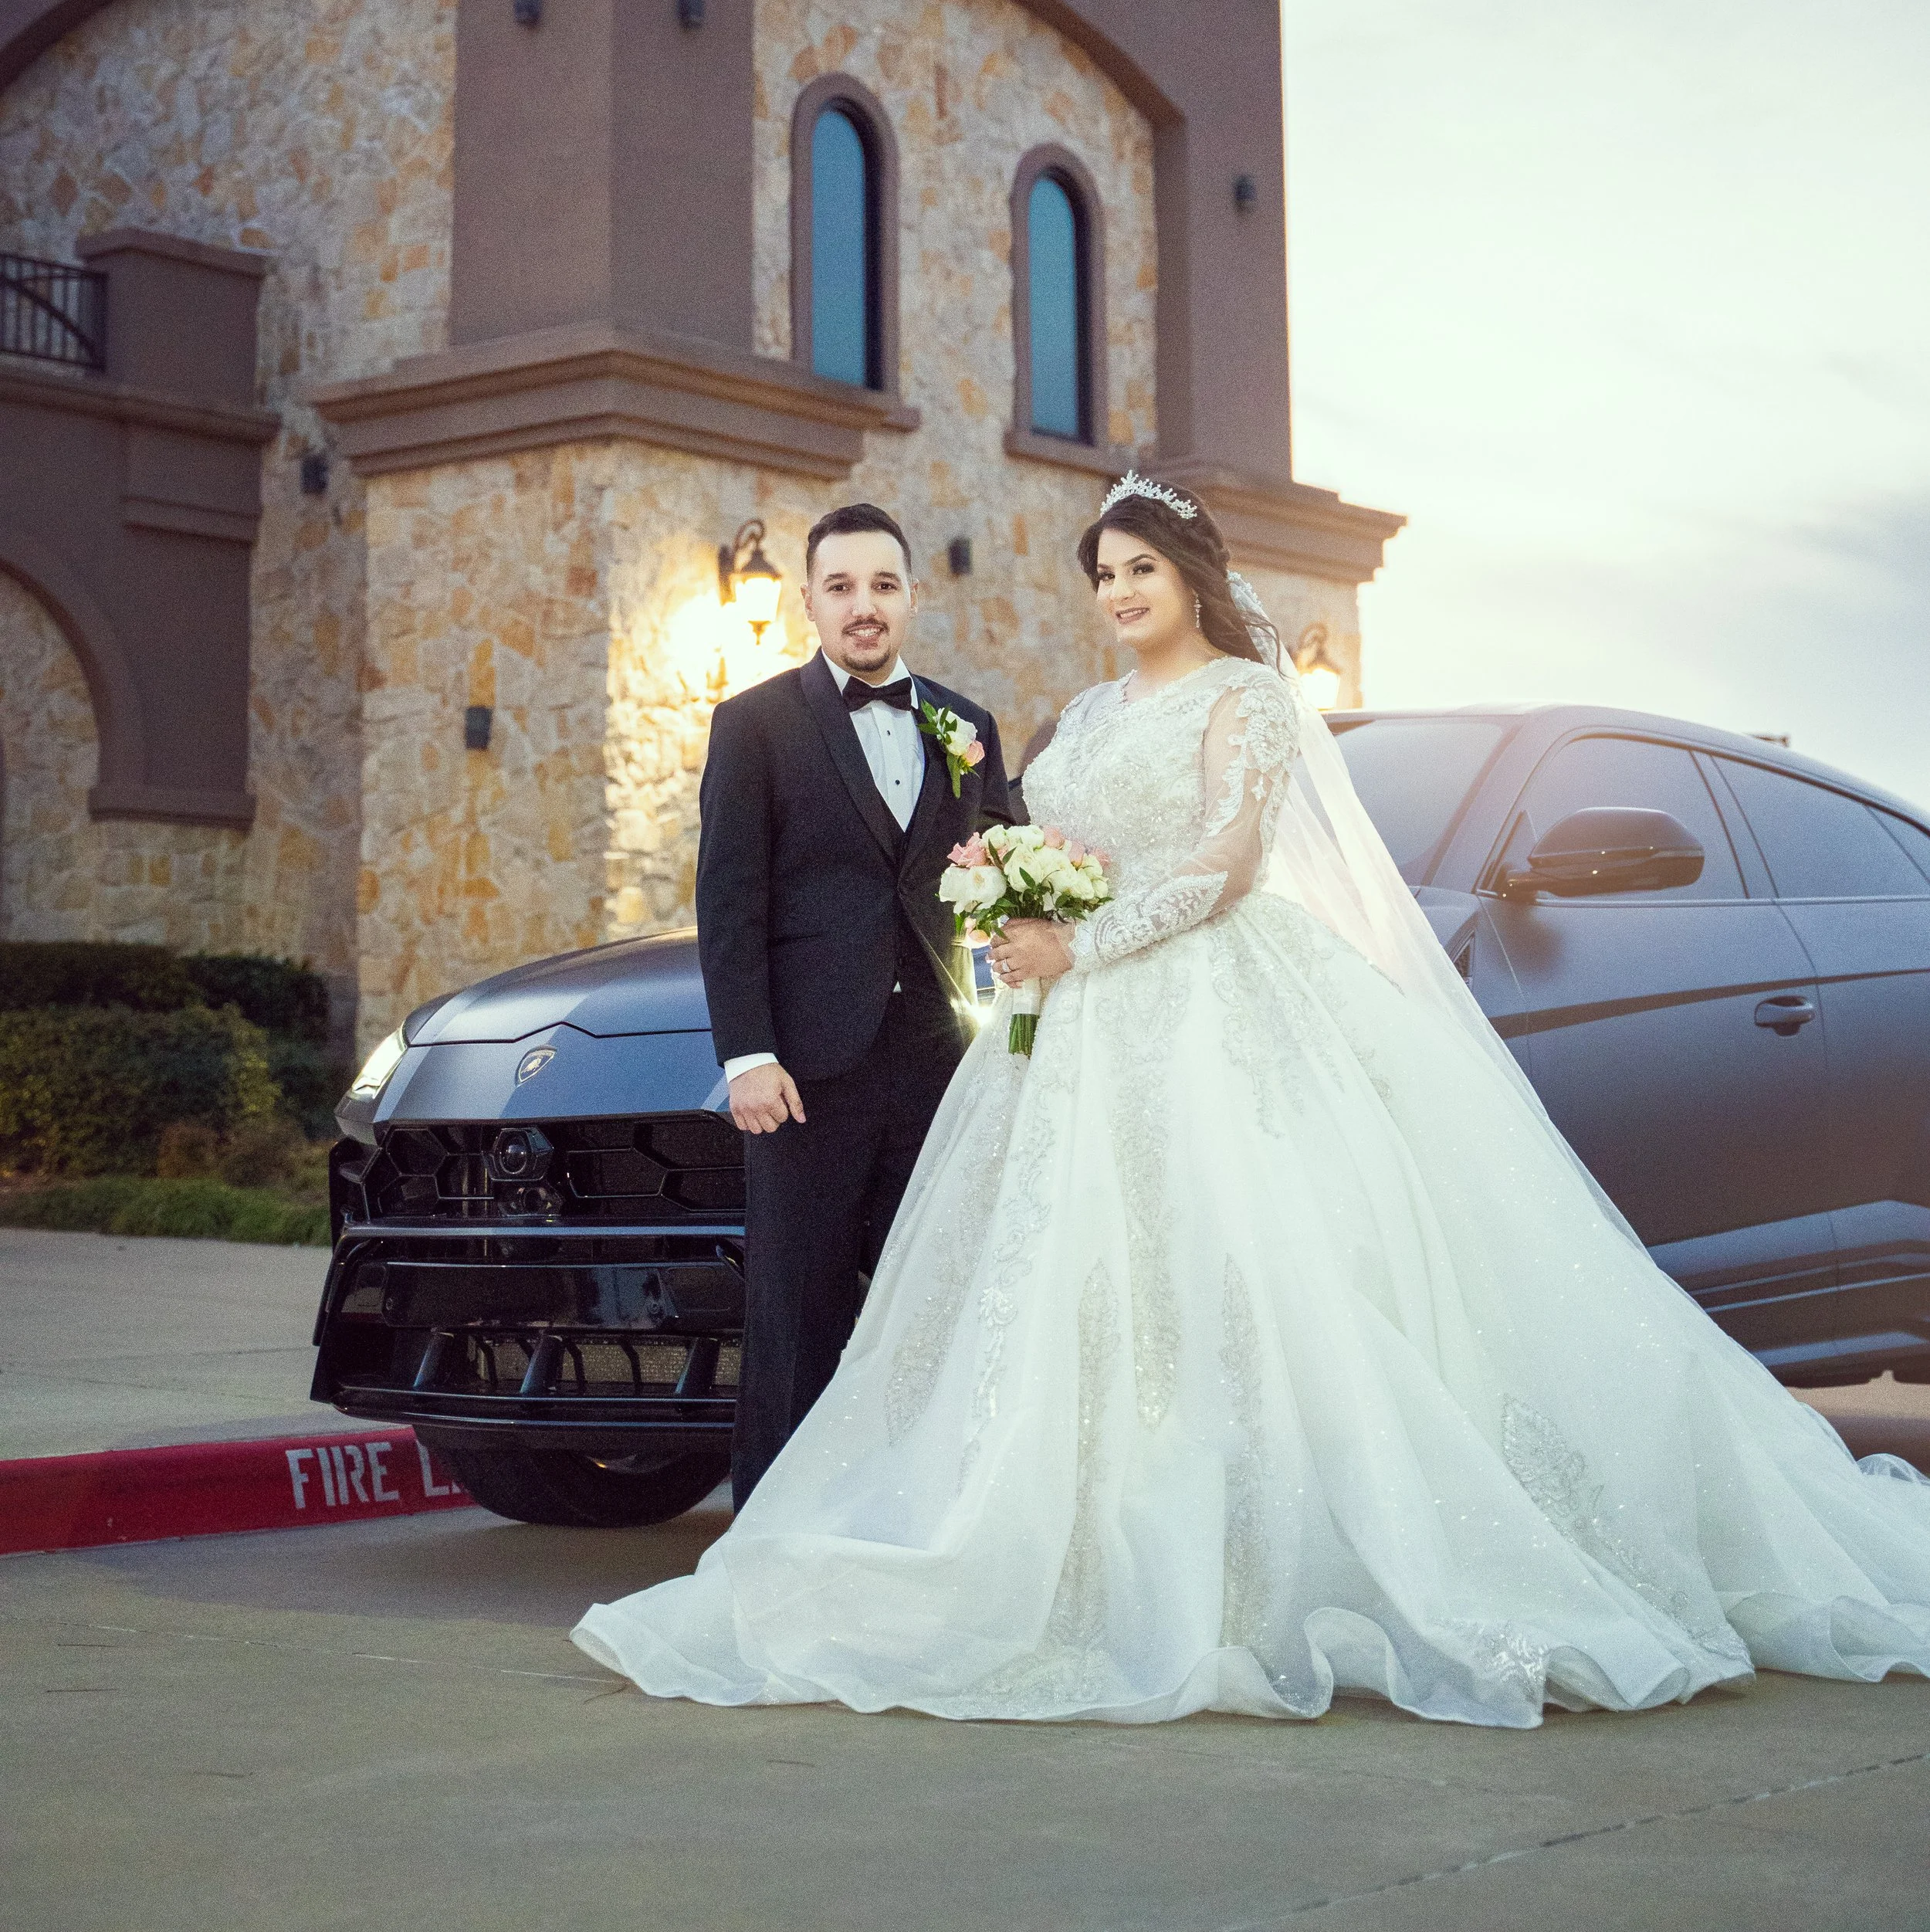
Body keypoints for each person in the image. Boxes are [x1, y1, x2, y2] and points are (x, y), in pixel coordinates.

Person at [575, 477, 1930, 1724]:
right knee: (1056, 1297)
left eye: (1141, 568)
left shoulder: (1251, 699)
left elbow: (1225, 862)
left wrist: (1073, 943)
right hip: (1048, 1040)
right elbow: (993, 857)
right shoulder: (1079, 715)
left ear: (1192, 574)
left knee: (1264, 1273)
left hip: (1205, 999)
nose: (1118, 593)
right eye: (1102, 572)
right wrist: (1017, 921)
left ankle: (1250, 1557)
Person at [692, 501, 1012, 1507]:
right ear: (809, 602)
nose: (863, 606)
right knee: (795, 1318)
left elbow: (1002, 888)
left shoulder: (968, 727)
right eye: (841, 586)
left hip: (938, 1067)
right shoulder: (753, 726)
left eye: (882, 585)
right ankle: (768, 1559)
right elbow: (729, 901)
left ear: (915, 596)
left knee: (938, 1311)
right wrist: (747, 1053)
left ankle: (917, 1534)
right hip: (804, 1076)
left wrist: (1008, 1028)